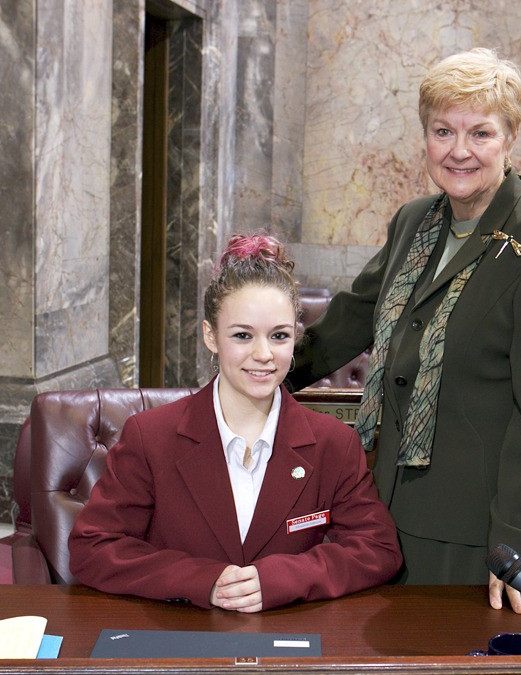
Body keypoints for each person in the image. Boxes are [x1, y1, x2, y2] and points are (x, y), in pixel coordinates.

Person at [288, 47, 521, 613]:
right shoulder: (415, 220)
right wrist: (268, 370)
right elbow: (355, 315)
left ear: (510, 137)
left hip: (483, 531)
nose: (459, 151)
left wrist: (516, 546)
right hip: (391, 511)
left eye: (480, 133)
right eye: (442, 130)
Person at [68, 234, 402, 612]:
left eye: (279, 336)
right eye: (242, 335)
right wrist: (203, 581)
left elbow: (378, 549)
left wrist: (284, 578)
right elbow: (92, 547)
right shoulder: (150, 436)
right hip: (179, 638)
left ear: (296, 338)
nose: (263, 355)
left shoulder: (333, 444)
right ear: (211, 336)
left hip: (288, 645)